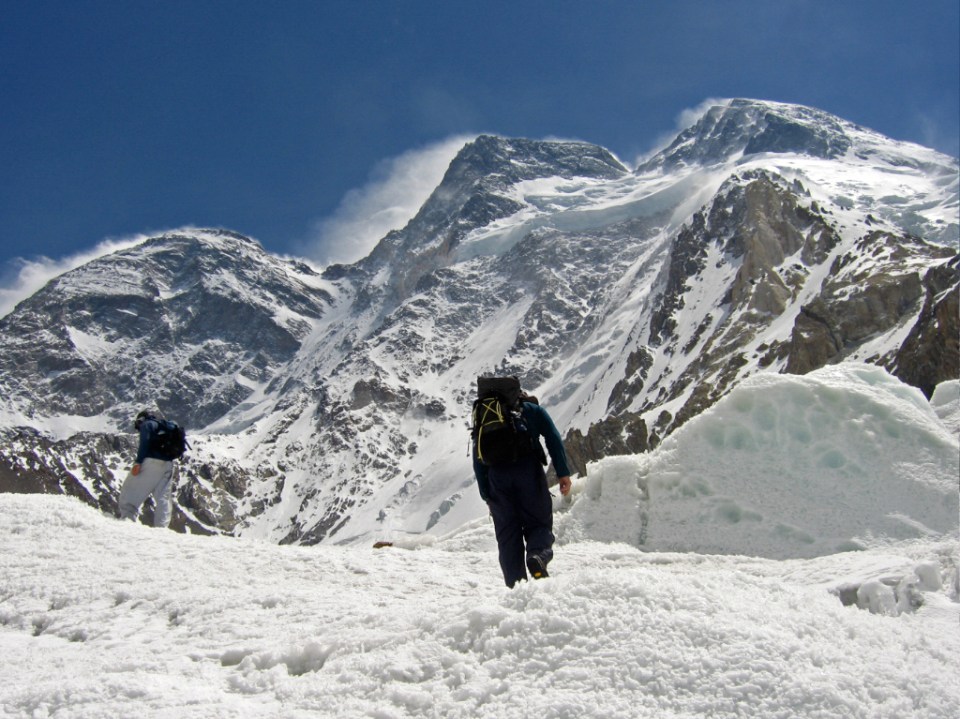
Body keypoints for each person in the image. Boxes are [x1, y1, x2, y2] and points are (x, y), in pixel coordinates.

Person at [472, 386, 572, 587]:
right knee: (539, 522)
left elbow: (478, 457)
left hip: (496, 478)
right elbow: (552, 437)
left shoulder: (485, 416)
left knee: (508, 535)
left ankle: (516, 587)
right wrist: (562, 472)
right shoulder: (531, 410)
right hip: (528, 471)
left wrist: (486, 495)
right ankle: (537, 556)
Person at [118, 410, 177, 527]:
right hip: (168, 464)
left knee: (129, 491)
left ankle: (127, 520)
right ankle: (161, 527)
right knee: (163, 497)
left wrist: (138, 462)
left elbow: (144, 443)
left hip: (151, 462)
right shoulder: (165, 426)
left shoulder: (147, 424)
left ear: (140, 420)